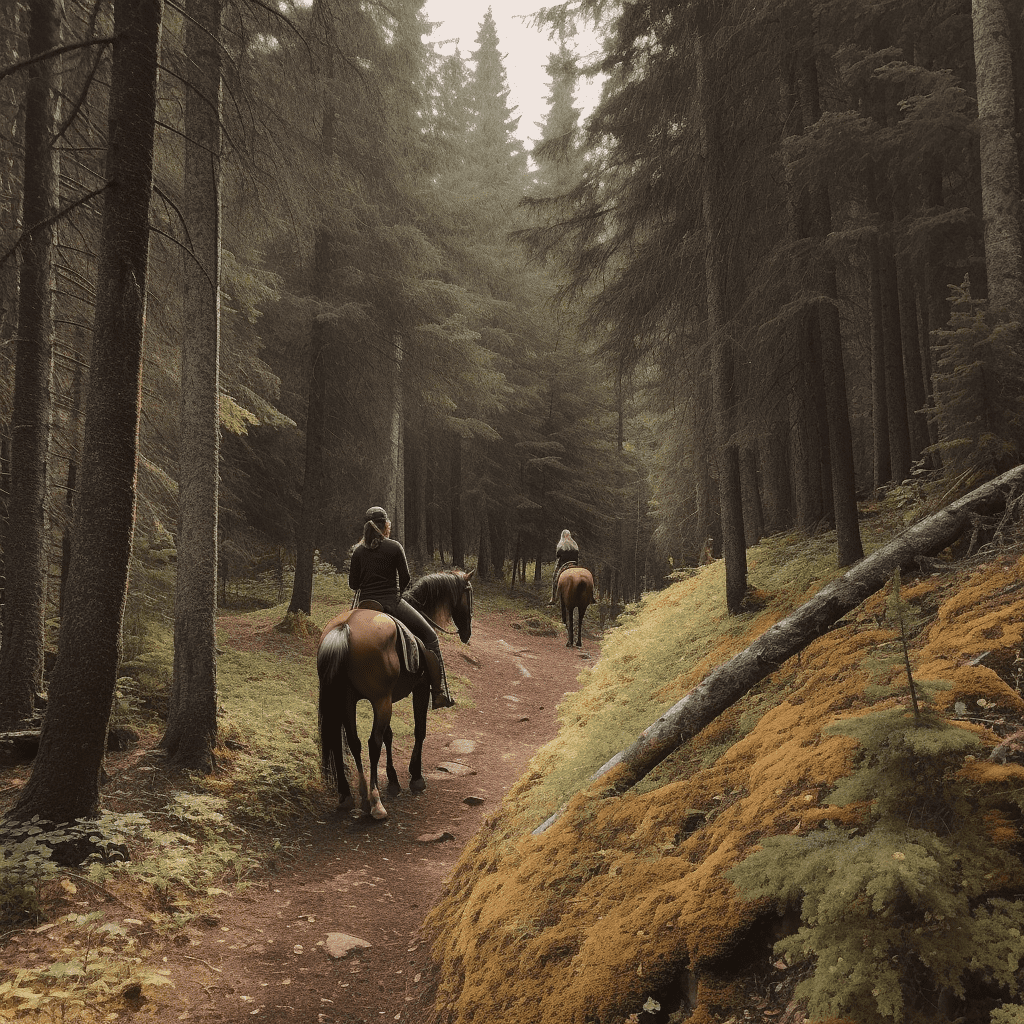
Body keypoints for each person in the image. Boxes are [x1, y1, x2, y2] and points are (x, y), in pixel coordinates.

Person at [348, 506, 455, 709]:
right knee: (430, 636)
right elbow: (406, 578)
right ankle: (439, 693)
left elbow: (353, 584)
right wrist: (397, 593)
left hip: (365, 606)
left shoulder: (358, 551)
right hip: (391, 603)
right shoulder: (394, 547)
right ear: (385, 525)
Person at [549, 528, 580, 605]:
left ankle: (553, 598)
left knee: (555, 578)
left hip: (564, 564)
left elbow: (558, 555)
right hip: (574, 564)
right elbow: (577, 553)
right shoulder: (574, 544)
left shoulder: (561, 544)